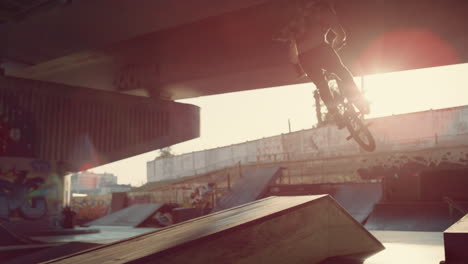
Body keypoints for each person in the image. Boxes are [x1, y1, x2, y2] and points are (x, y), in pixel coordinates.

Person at [275, 0, 369, 124]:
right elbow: (340, 34)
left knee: (321, 85)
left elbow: (290, 47)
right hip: (321, 49)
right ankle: (359, 102)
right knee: (342, 72)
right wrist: (335, 46)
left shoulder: (298, 18)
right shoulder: (324, 10)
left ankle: (336, 116)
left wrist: (296, 64)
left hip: (305, 58)